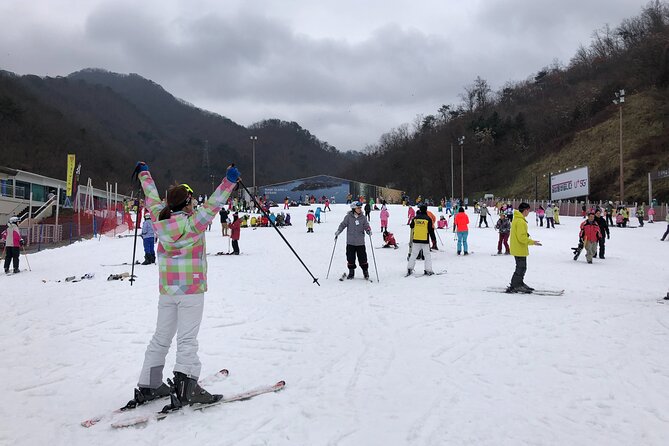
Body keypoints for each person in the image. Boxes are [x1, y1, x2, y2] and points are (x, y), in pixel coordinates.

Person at [127, 161, 240, 412]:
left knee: (161, 338)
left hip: (167, 291)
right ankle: (187, 387)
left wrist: (144, 173)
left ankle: (150, 384)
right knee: (187, 340)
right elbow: (214, 204)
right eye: (191, 201)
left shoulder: (159, 218)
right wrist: (229, 181)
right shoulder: (194, 223)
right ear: (187, 203)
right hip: (190, 291)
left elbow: (151, 195)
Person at [507, 202, 542, 293]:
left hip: (518, 248)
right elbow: (521, 238)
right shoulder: (520, 221)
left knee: (522, 267)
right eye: (528, 210)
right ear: (525, 210)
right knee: (520, 268)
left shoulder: (517, 219)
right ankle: (515, 285)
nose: (529, 212)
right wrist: (532, 242)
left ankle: (519, 283)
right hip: (519, 248)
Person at [335, 202, 372, 280]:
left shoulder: (363, 217)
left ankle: (365, 272)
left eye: (360, 208)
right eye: (358, 208)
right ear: (353, 209)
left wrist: (368, 230)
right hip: (350, 242)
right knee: (350, 257)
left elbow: (366, 225)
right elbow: (343, 225)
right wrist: (338, 231)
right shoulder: (348, 217)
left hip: (360, 242)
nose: (360, 209)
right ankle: (351, 272)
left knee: (363, 258)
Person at [407, 204, 436, 276]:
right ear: (426, 210)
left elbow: (411, 226)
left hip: (416, 239)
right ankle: (428, 270)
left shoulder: (415, 218)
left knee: (413, 255)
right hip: (425, 240)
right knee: (427, 255)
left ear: (420, 210)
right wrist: (433, 240)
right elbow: (431, 230)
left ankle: (409, 268)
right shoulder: (428, 219)